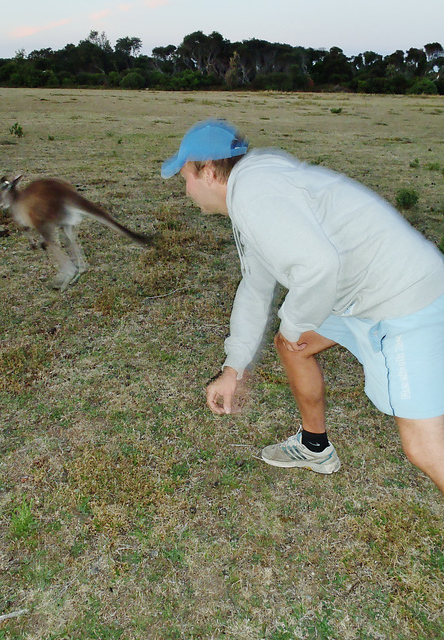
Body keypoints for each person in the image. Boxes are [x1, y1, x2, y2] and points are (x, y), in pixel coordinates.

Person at [161, 118, 444, 493]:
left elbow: (319, 266)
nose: (186, 190)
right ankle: (315, 447)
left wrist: (294, 323)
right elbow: (256, 286)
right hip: (361, 293)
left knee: (424, 448)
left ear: (209, 171)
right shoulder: (254, 187)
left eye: (186, 178)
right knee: (292, 344)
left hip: (405, 298)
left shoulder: (253, 194)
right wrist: (234, 367)